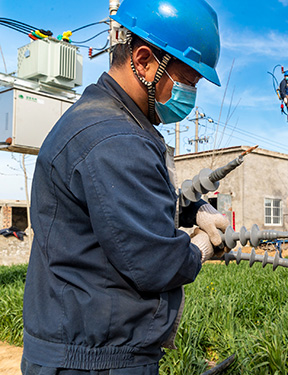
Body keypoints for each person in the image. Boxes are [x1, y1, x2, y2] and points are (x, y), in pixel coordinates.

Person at [21, 1, 231, 374]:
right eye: (187, 81)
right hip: (94, 360)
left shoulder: (105, 119)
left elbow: (119, 207)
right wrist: (198, 247)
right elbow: (155, 263)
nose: (188, 96)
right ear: (146, 60)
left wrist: (192, 209)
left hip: (81, 344)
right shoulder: (114, 139)